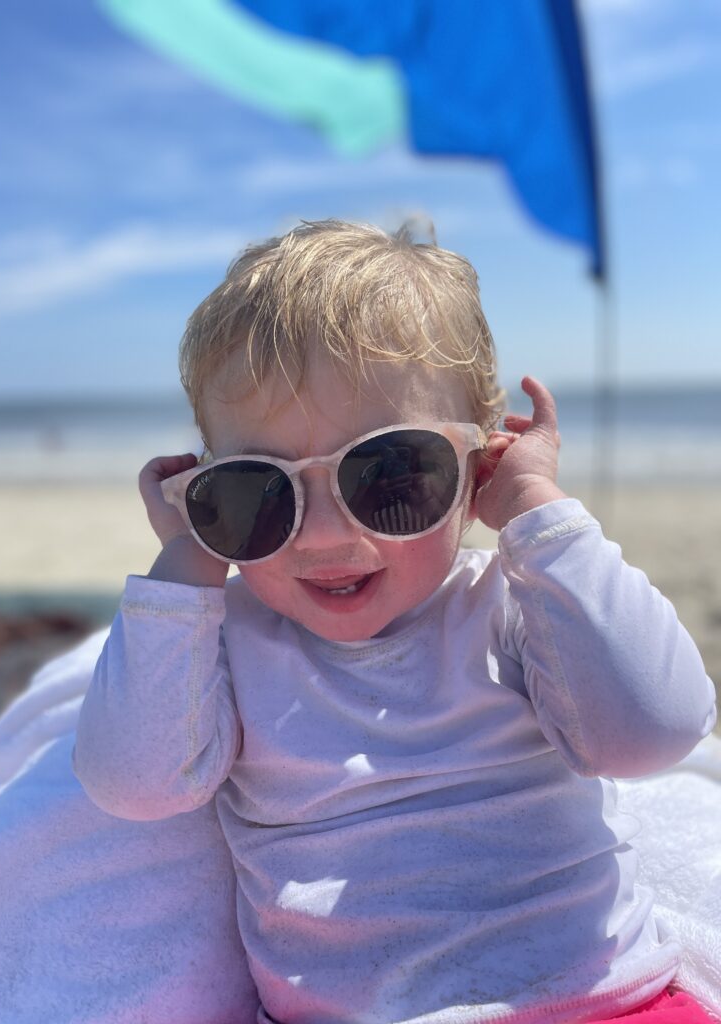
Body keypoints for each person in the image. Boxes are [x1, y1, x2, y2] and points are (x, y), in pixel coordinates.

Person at [73, 220, 716, 1024]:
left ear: (481, 465)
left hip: (598, 998)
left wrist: (540, 519)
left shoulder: (513, 606)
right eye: (254, 490)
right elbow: (131, 782)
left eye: (390, 475)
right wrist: (190, 563)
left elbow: (654, 730)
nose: (325, 536)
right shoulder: (225, 641)